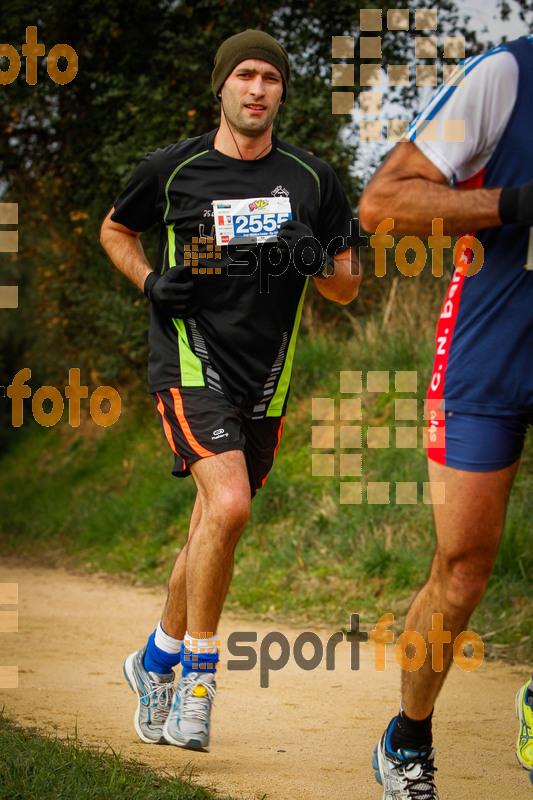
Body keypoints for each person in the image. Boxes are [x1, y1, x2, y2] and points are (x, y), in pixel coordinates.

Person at [100, 29, 361, 753]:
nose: (256, 89)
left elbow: (345, 286)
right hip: (188, 364)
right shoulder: (173, 168)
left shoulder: (313, 179)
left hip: (266, 381)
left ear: (282, 91)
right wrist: (150, 280)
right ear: (220, 86)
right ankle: (197, 679)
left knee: (211, 523)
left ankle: (151, 660)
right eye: (243, 75)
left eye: (269, 79)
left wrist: (312, 257)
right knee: (232, 503)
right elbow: (115, 230)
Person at [359, 34, 533, 799]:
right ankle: (408, 736)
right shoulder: (505, 76)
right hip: (491, 348)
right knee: (462, 568)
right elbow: (384, 202)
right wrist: (514, 202)